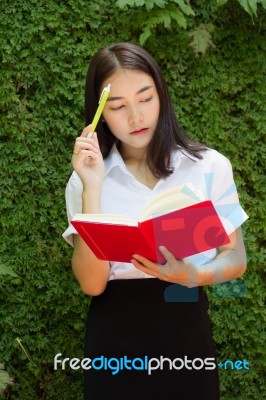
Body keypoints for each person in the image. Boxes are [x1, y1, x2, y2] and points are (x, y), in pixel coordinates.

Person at [63, 42, 248, 400]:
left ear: (161, 96)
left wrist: (193, 275)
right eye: (117, 106)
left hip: (185, 323)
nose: (136, 117)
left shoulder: (209, 166)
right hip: (114, 334)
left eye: (146, 99)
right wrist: (93, 188)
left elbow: (236, 258)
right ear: (99, 113)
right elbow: (91, 284)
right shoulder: (84, 179)